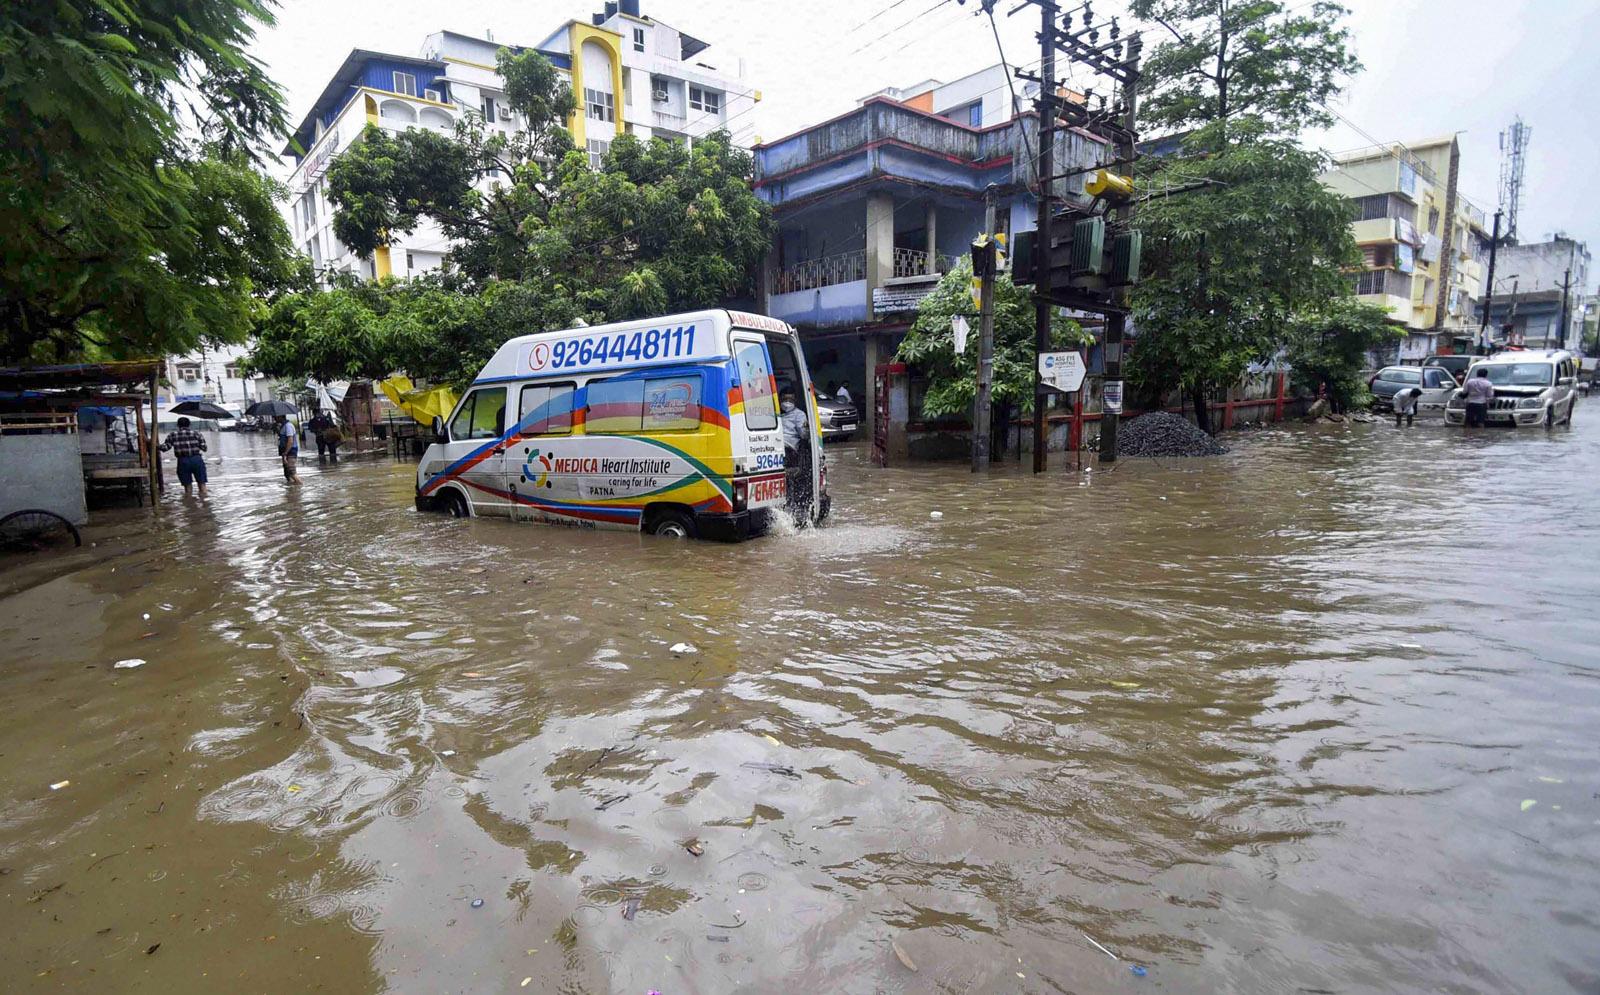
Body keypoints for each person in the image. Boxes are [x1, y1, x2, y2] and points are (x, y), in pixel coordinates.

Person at [779, 391, 812, 513]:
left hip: (789, 450)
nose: (787, 403)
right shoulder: (776, 413)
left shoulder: (799, 415)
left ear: (795, 401)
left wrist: (806, 427)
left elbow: (804, 435)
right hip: (774, 448)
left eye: (790, 400)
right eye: (785, 399)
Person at [159, 416, 208, 496]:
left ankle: (189, 502)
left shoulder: (173, 435)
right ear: (189, 425)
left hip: (183, 461)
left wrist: (154, 445)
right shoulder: (197, 433)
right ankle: (204, 501)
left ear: (178, 425)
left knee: (187, 486)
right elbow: (204, 448)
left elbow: (165, 448)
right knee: (202, 484)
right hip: (197, 460)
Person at [275, 414, 302, 483]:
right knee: (287, 474)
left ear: (281, 416)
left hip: (290, 451)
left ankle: (300, 487)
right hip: (285, 451)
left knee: (292, 472)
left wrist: (285, 453)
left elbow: (290, 441)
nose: (274, 418)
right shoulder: (283, 426)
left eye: (275, 416)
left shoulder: (288, 426)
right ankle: (292, 490)